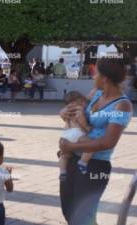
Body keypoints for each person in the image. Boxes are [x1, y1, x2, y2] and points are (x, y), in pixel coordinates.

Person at [59, 57, 133, 225]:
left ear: (105, 78)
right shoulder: (95, 93)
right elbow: (75, 109)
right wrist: (65, 111)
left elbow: (108, 141)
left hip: (95, 165)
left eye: (96, 73)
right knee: (69, 210)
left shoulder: (122, 105)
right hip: (73, 159)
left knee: (83, 217)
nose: (93, 77)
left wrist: (71, 145)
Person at [59, 91, 92, 181]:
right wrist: (87, 127)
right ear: (79, 100)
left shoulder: (67, 110)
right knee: (91, 146)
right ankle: (83, 162)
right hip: (77, 132)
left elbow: (63, 116)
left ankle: (62, 172)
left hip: (65, 134)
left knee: (64, 155)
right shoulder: (79, 109)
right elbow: (82, 123)